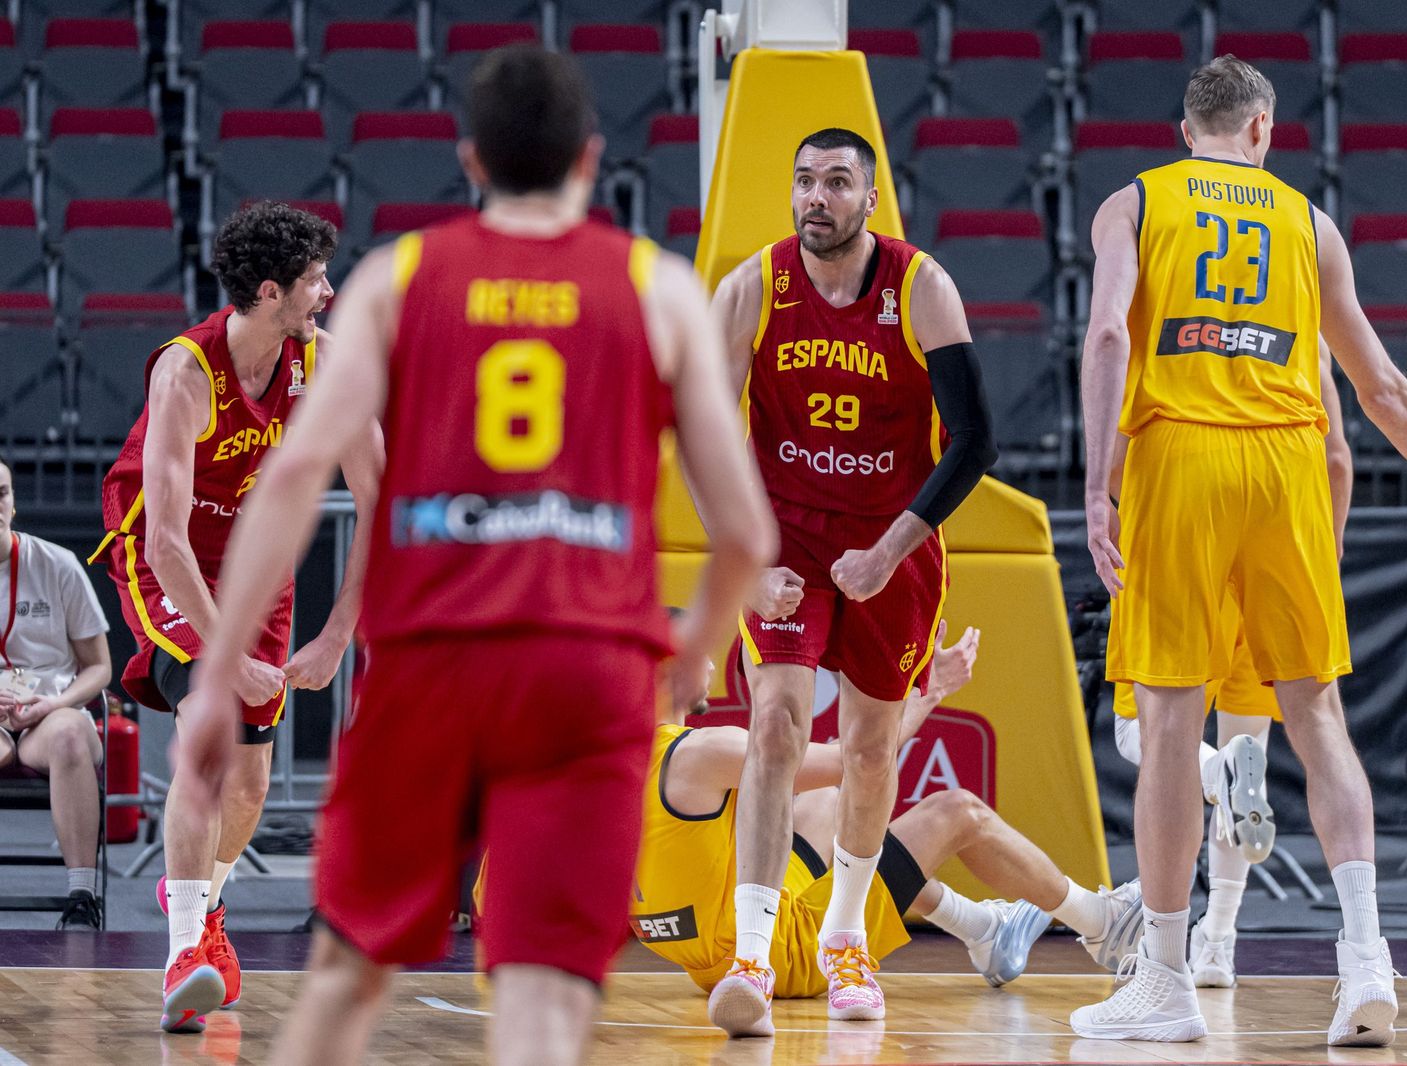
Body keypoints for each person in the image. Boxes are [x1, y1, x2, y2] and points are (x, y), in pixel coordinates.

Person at [177, 46, 774, 1066]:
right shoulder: (656, 286)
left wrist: (214, 670)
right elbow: (745, 532)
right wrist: (701, 650)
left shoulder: (399, 278)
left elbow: (291, 477)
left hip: (436, 664)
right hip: (587, 673)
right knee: (540, 997)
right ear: (589, 160)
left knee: (346, 973)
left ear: (470, 160)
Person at [1075, 55, 1407, 1046]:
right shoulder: (1308, 222)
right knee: (1317, 716)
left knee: (1164, 725)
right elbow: (1380, 391)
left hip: (1181, 456)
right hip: (1286, 464)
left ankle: (1164, 979)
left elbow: (1109, 335)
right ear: (1262, 130)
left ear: (1185, 127)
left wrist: (1091, 484)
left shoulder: (1135, 202)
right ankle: (1365, 955)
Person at [706, 126, 997, 1032]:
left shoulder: (922, 288)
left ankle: (844, 939)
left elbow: (975, 442)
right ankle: (752, 952)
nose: (815, 198)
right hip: (787, 539)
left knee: (871, 750)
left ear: (870, 199)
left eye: (836, 182)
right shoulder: (752, 287)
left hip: (889, 543)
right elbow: (705, 436)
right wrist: (745, 564)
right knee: (776, 724)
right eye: (803, 182)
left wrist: (891, 550)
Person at [89, 200, 380, 1032]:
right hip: (162, 553)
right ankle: (183, 947)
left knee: (251, 778)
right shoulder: (183, 373)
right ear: (267, 291)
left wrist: (338, 631)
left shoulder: (323, 360)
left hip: (256, 558)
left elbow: (377, 493)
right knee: (211, 730)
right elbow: (171, 542)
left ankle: (205, 909)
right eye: (315, 280)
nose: (329, 292)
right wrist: (223, 658)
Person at [616, 622, 1142, 1033]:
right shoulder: (705, 751)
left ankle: (981, 928)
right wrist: (929, 691)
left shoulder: (620, 755)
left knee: (827, 807)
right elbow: (860, 760)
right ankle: (1099, 922)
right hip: (786, 956)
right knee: (956, 811)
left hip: (703, 962)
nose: (713, 654)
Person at [1109, 338, 1353, 986]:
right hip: (1279, 543)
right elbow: (1338, 463)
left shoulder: (1163, 324)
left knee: (1146, 734)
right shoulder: (1300, 339)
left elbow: (1120, 454)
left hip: (1186, 534)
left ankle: (1215, 776)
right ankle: (1219, 940)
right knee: (1254, 740)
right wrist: (1317, 567)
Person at [0, 459, 113, 930]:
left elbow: (100, 667)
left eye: (0, 493)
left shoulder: (57, 565)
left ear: (13, 501)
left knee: (70, 737)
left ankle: (81, 896)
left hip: (49, 712)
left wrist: (56, 704)